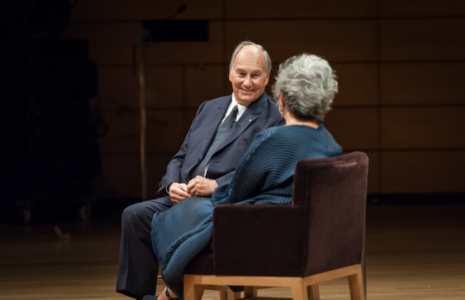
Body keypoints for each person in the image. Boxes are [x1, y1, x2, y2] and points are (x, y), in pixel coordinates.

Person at [149, 53, 343, 300]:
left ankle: (171, 294)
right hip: (305, 235)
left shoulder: (274, 140)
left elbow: (232, 195)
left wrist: (210, 191)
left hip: (261, 234)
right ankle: (172, 294)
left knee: (190, 218)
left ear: (282, 98)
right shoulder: (330, 142)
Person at [116, 41, 284, 300]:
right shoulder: (209, 107)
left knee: (187, 221)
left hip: (220, 203)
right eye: (241, 73)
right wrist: (171, 185)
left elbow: (263, 169)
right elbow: (181, 155)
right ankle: (143, 296)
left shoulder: (275, 116)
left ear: (267, 77)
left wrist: (216, 186)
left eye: (255, 75)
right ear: (230, 73)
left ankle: (173, 294)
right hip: (183, 196)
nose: (247, 82)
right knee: (134, 215)